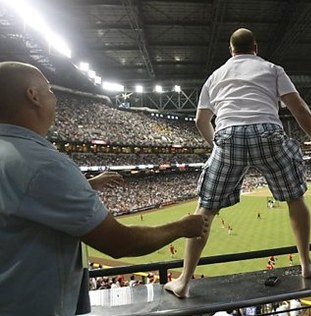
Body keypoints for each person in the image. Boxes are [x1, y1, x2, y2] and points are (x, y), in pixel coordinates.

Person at [0, 61, 209, 316]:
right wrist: (182, 226)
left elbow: (23, 200)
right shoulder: (43, 165)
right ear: (33, 96)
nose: (54, 99)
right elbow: (120, 243)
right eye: (50, 91)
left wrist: (86, 185)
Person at [164, 27, 311, 298]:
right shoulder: (273, 69)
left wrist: (216, 145)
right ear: (256, 47)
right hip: (267, 133)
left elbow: (200, 121)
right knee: (295, 199)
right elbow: (298, 107)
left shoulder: (215, 76)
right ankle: (306, 264)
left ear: (231, 50)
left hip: (228, 136)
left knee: (204, 210)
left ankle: (183, 280)